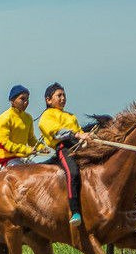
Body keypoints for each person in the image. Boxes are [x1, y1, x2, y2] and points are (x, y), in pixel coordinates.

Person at [38, 82, 90, 227]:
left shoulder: (70, 116)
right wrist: (77, 134)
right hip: (64, 148)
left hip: (79, 147)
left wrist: (86, 136)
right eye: (59, 95)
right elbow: (57, 133)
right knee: (72, 173)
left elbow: (79, 131)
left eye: (64, 95)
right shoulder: (47, 116)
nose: (63, 98)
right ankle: (75, 211)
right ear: (48, 100)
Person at [0, 85, 44, 170]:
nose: (26, 102)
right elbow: (4, 144)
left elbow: (31, 139)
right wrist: (27, 150)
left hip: (22, 159)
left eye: (27, 99)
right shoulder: (4, 118)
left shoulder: (28, 118)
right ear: (12, 100)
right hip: (7, 160)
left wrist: (41, 148)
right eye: (22, 99)